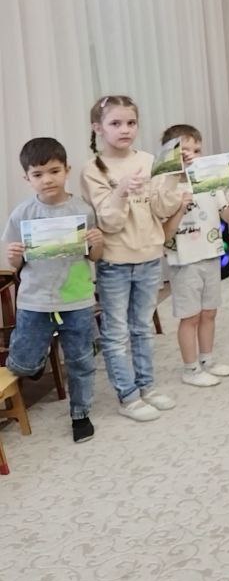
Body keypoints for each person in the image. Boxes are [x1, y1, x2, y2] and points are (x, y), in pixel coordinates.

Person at [80, 95, 186, 422]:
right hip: (114, 261)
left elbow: (162, 208)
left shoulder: (149, 159)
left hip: (150, 256)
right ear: (98, 128)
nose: (125, 129)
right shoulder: (93, 169)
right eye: (115, 123)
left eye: (131, 123)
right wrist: (121, 189)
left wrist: (173, 175)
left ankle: (146, 387)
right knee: (116, 333)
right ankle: (127, 396)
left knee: (142, 327)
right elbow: (109, 222)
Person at [3, 138, 104, 442]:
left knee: (81, 360)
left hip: (76, 298)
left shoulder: (82, 210)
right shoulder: (22, 214)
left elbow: (94, 257)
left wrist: (96, 244)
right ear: (27, 178)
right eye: (38, 174)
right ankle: (33, 364)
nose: (47, 179)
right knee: (23, 361)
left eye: (54, 171)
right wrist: (14, 255)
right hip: (35, 300)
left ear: (66, 170)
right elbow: (16, 265)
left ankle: (80, 413)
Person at [160, 124, 229, 387]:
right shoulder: (165, 190)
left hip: (211, 255)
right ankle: (190, 368)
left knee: (209, 312)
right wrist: (179, 208)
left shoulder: (210, 182)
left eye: (197, 150)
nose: (192, 155)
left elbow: (227, 216)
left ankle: (207, 359)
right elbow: (163, 235)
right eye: (184, 151)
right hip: (184, 261)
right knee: (190, 316)